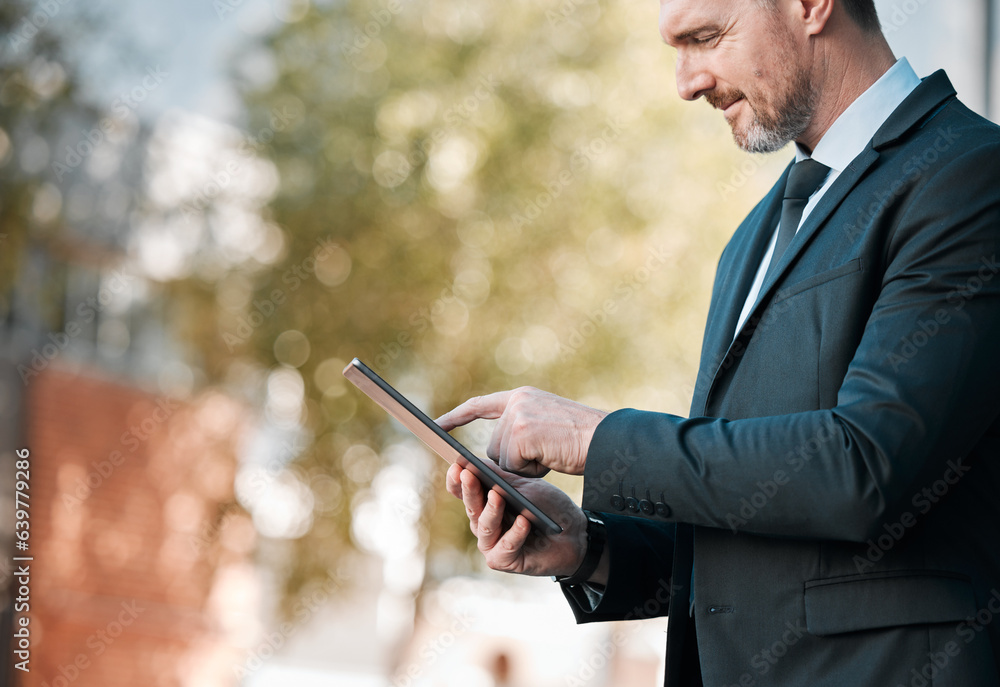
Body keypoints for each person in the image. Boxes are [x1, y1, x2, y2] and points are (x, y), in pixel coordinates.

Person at [436, 0, 1000, 685]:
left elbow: (866, 467)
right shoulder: (752, 240)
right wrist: (589, 547)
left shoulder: (971, 176)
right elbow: (756, 522)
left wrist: (597, 438)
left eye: (705, 38)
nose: (686, 82)